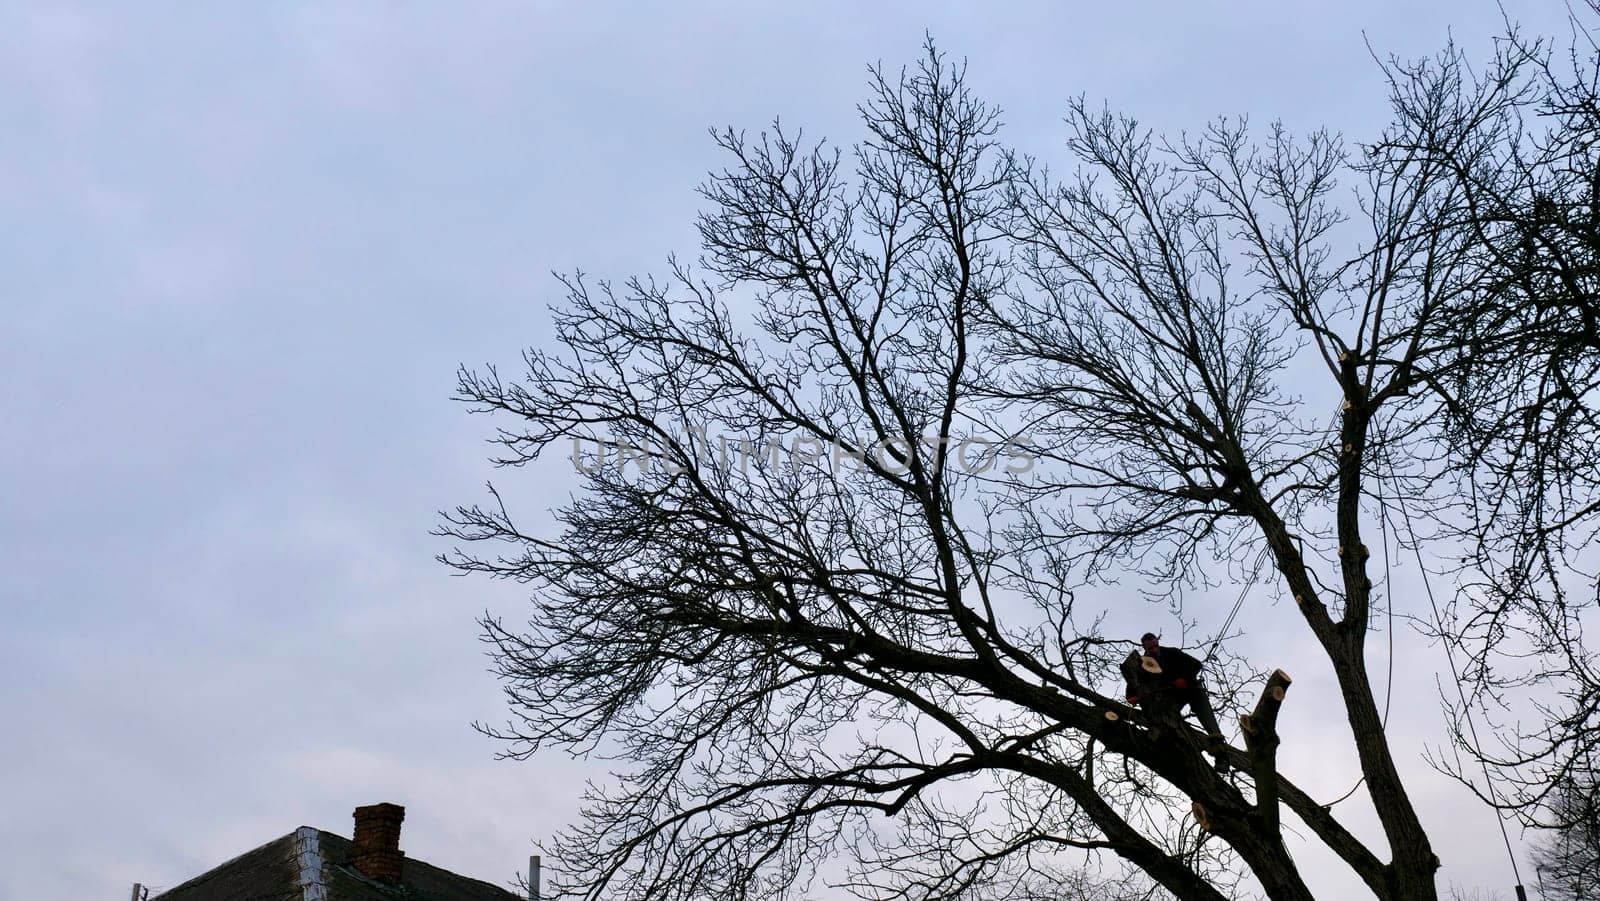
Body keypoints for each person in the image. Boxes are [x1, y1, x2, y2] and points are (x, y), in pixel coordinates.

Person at [1126, 632, 1229, 771]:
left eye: (1154, 643)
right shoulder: (1142, 663)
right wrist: (1131, 697)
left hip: (1192, 690)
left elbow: (1196, 665)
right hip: (1170, 699)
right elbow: (1133, 683)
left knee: (1208, 720)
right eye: (1148, 645)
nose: (1152, 647)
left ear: (1157, 641)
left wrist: (1184, 678)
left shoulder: (1172, 653)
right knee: (1166, 722)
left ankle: (1221, 755)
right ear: (1144, 646)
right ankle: (1175, 752)